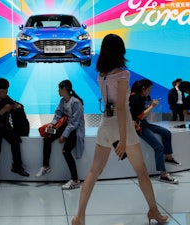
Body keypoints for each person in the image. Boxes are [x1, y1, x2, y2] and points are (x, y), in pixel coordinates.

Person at [71, 34, 168, 225]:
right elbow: (122, 107)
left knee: (93, 172)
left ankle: (79, 216)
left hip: (104, 125)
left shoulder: (101, 75)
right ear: (120, 51)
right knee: (141, 171)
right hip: (121, 125)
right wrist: (123, 140)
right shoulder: (123, 74)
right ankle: (154, 211)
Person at [35, 80, 85, 190]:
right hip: (64, 128)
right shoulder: (62, 101)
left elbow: (75, 123)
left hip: (74, 131)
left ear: (64, 89)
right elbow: (57, 115)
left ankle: (75, 180)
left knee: (66, 151)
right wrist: (52, 125)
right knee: (47, 137)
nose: (58, 91)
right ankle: (46, 166)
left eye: (59, 89)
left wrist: (64, 135)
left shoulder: (76, 102)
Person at [129, 79, 181, 184]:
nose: (150, 92)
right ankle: (163, 175)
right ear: (143, 88)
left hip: (144, 123)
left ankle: (168, 157)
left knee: (167, 133)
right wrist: (152, 106)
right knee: (158, 147)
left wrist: (151, 104)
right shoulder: (134, 98)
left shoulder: (141, 96)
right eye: (150, 89)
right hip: (138, 126)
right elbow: (140, 115)